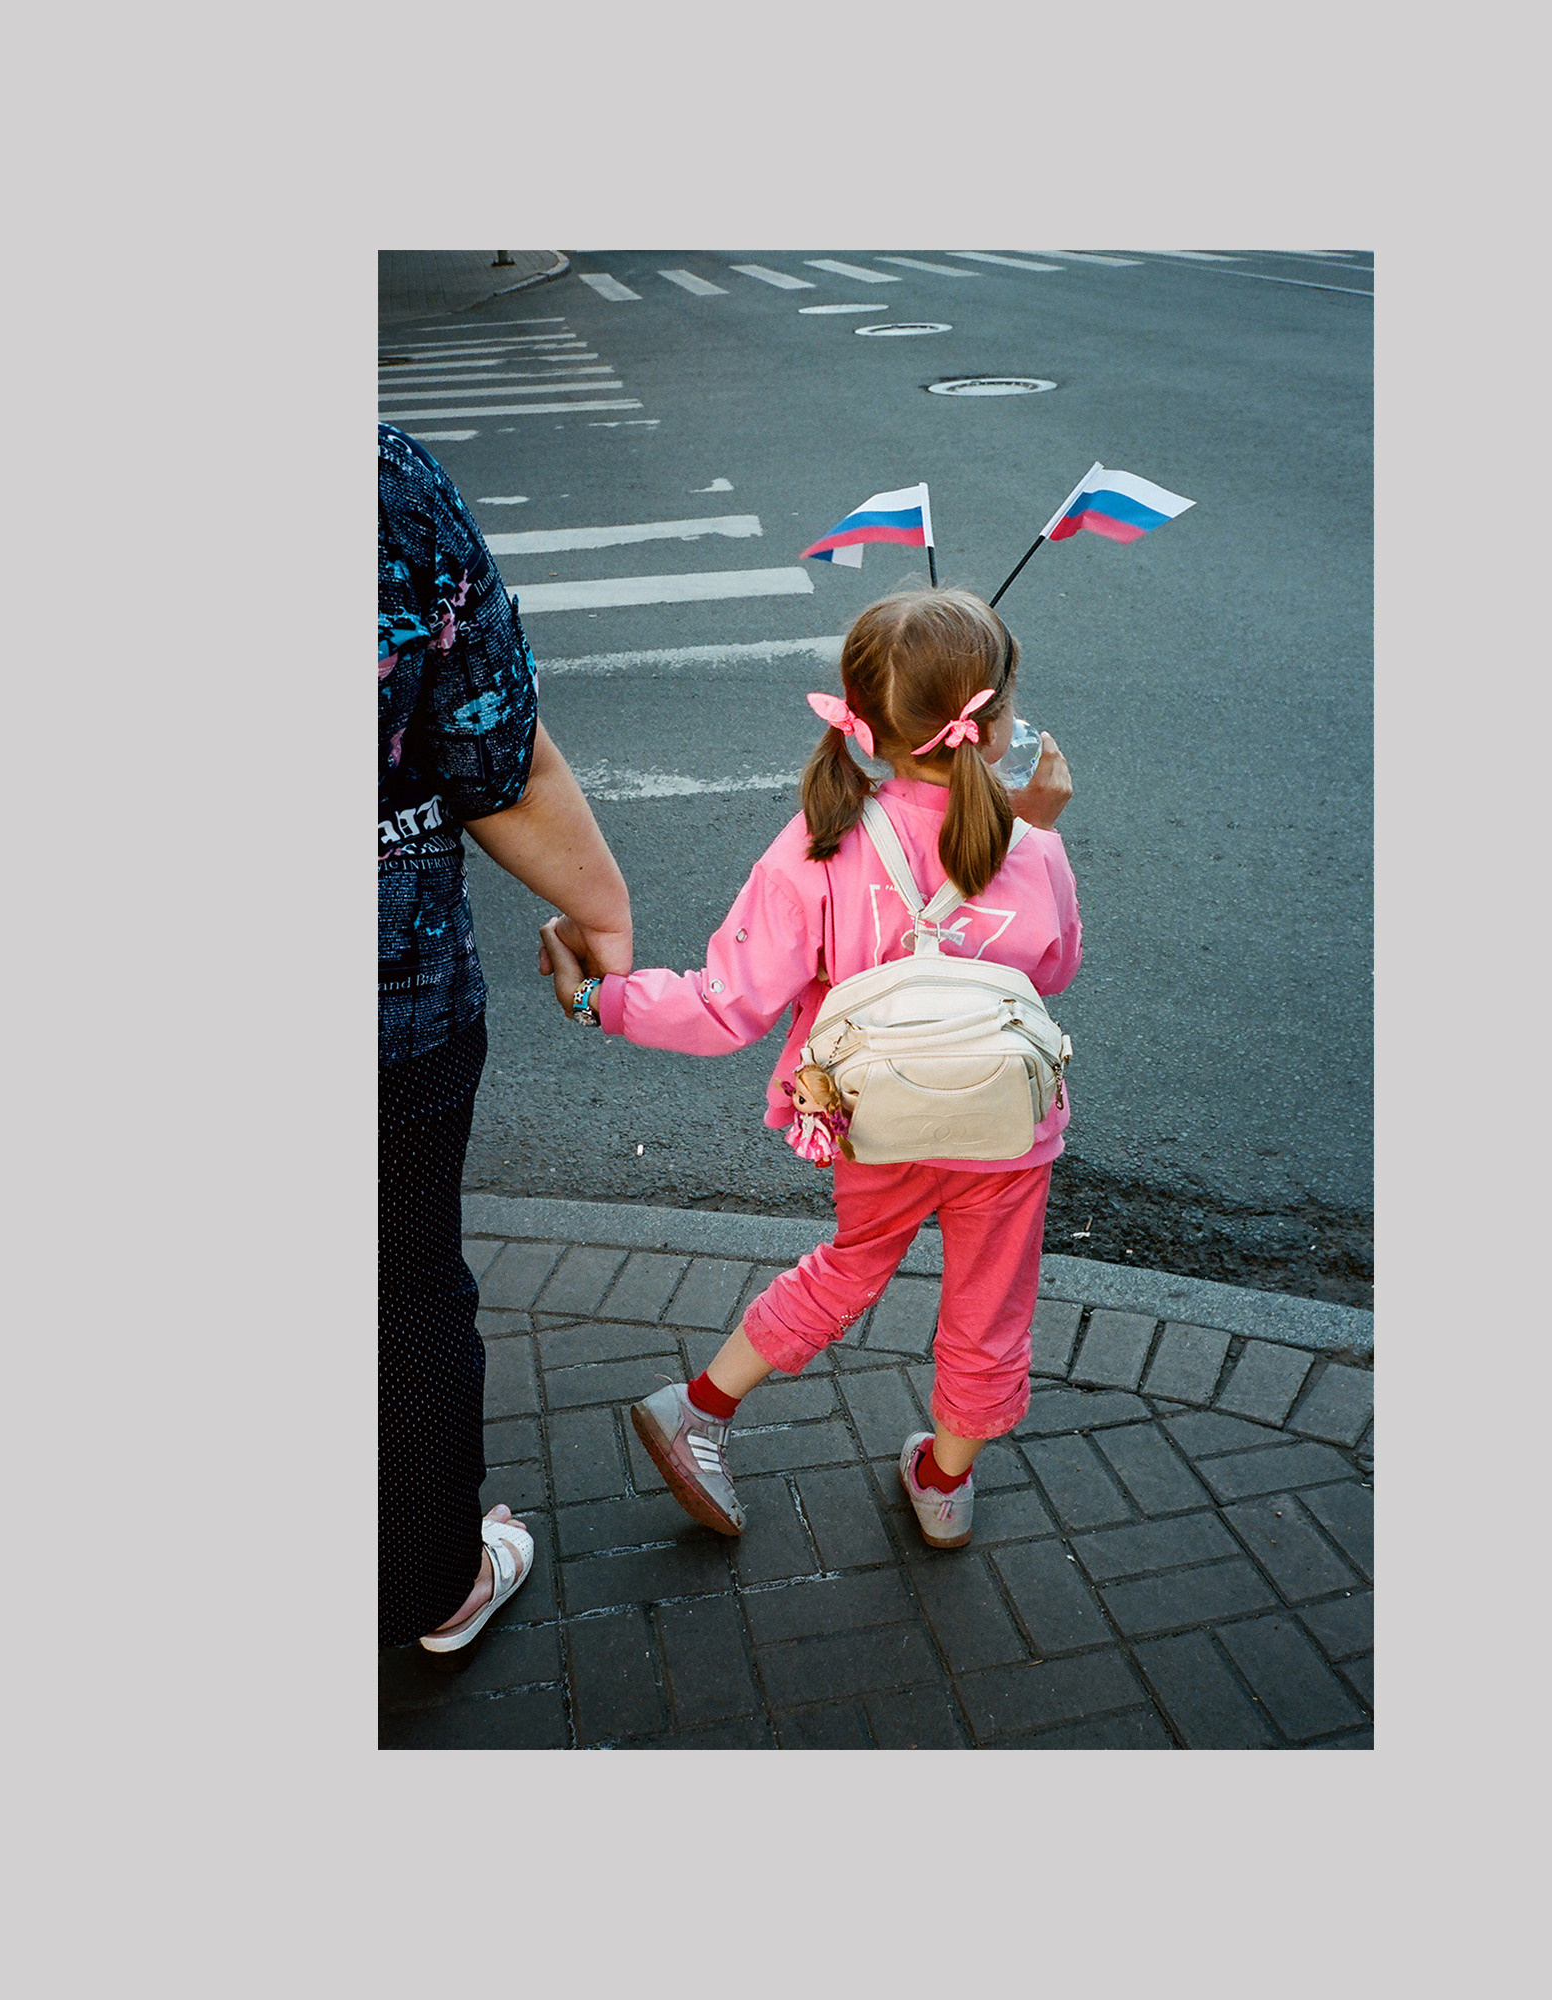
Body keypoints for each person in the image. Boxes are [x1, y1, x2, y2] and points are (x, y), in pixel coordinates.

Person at [541, 588, 1075, 1550]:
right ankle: (944, 1484)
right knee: (991, 1306)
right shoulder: (1032, 847)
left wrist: (596, 999)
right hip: (1006, 1131)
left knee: (849, 1267)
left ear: (862, 726)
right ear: (993, 730)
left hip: (875, 1123)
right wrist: (1038, 830)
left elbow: (724, 1005)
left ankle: (700, 1406)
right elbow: (1054, 971)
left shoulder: (815, 846)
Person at [379, 423, 633, 1650]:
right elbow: (492, 755)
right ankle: (430, 1579)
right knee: (398, 1284)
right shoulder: (381, 486)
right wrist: (600, 916)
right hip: (384, 1002)